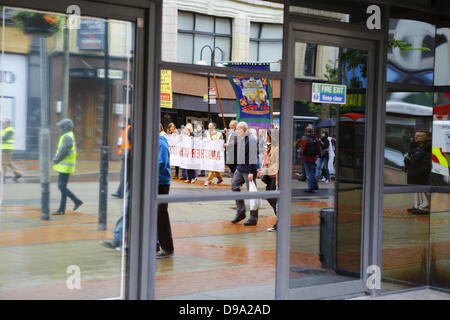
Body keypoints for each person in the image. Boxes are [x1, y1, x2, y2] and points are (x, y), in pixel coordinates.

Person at [231, 122, 260, 226]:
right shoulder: (242, 137)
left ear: (244, 129)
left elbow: (253, 157)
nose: (237, 131)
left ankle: (253, 217)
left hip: (248, 170)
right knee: (234, 185)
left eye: (238, 129)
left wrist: (252, 172)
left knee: (252, 192)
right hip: (240, 168)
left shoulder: (251, 139)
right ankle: (241, 212)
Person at [52, 119, 83, 215]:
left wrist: (56, 159)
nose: (60, 129)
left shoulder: (67, 137)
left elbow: (64, 151)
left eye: (61, 127)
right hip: (65, 165)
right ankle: (62, 209)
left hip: (65, 166)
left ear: (65, 128)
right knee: (63, 187)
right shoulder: (67, 136)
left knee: (61, 186)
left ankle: (76, 201)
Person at [404, 130, 432, 215]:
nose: (416, 137)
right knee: (417, 190)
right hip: (414, 173)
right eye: (416, 135)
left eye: (419, 135)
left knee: (423, 190)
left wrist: (420, 172)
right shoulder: (417, 148)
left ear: (427, 137)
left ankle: (424, 207)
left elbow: (427, 163)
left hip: (421, 174)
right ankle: (418, 206)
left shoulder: (428, 147)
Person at [157, 128, 174, 258]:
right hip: (156, 181)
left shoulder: (160, 142)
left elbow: (162, 163)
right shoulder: (155, 141)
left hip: (161, 182)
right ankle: (156, 244)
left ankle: (167, 247)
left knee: (161, 215)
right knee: (155, 214)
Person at [260, 131, 279, 232]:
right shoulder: (271, 147)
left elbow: (278, 163)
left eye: (268, 136)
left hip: (275, 175)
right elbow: (268, 161)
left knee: (273, 198)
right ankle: (279, 217)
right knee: (269, 196)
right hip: (270, 174)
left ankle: (279, 221)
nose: (267, 138)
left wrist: (277, 178)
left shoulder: (277, 148)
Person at [112, 118, 132, 199]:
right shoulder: (126, 129)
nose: (121, 123)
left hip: (128, 156)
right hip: (126, 156)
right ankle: (121, 192)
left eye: (123, 121)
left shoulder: (129, 129)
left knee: (124, 175)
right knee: (124, 175)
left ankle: (121, 192)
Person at [300, 126, 320, 193]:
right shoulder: (315, 138)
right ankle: (315, 185)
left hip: (306, 158)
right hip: (313, 158)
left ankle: (310, 188)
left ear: (306, 131)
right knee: (312, 172)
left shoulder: (305, 138)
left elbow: (303, 148)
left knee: (309, 173)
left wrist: (301, 155)